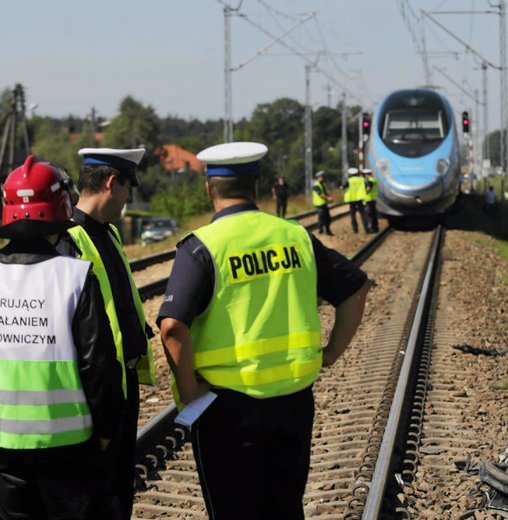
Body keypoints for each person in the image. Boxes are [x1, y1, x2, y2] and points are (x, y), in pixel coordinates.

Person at [157, 142, 370, 519]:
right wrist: (331, 352)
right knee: (285, 507)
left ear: (209, 189)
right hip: (293, 400)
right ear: (257, 185)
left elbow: (172, 327)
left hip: (228, 409)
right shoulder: (295, 236)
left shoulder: (203, 247)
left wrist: (189, 391)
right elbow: (355, 289)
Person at [0, 155, 125, 519]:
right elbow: (98, 364)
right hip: (67, 442)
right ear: (59, 212)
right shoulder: (75, 276)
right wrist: (106, 428)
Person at [56, 147, 157, 520]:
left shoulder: (109, 233)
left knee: (117, 493)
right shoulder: (69, 239)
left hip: (119, 384)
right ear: (112, 183)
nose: (130, 198)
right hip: (94, 390)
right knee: (100, 498)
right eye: (129, 187)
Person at [342, 167, 369, 233]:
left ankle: (355, 229)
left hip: (351, 199)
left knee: (353, 215)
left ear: (350, 174)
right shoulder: (361, 179)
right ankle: (366, 229)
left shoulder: (349, 180)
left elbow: (342, 187)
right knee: (363, 214)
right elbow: (367, 187)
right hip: (360, 199)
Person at [312, 170, 334, 236]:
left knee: (328, 218)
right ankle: (320, 230)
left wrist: (329, 197)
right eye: (322, 177)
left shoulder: (322, 184)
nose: (323, 178)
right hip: (319, 204)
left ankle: (327, 231)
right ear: (318, 177)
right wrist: (328, 198)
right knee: (322, 218)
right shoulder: (316, 185)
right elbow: (320, 194)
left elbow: (325, 193)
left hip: (323, 203)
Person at [363, 168, 379, 233]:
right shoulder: (374, 179)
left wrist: (365, 192)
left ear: (366, 174)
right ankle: (376, 227)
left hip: (369, 199)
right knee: (374, 214)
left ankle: (372, 228)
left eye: (364, 175)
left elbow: (368, 189)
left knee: (370, 215)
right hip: (373, 199)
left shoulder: (369, 181)